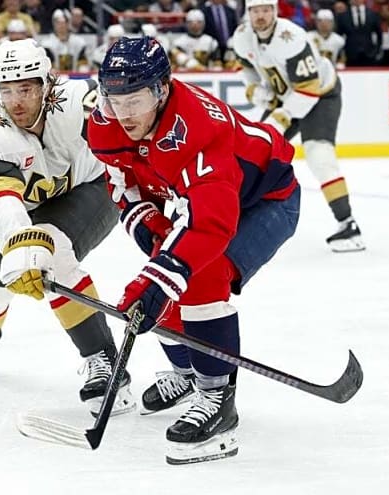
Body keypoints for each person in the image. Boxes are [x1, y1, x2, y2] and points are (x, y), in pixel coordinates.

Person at [88, 36, 300, 464]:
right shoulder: (104, 120)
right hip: (195, 201)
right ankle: (187, 371)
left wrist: (160, 274)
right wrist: (151, 230)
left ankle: (217, 399)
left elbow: (211, 225)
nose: (124, 115)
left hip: (266, 201)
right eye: (115, 100)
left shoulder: (202, 132)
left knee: (199, 271)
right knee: (165, 272)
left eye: (137, 100)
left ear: (162, 90)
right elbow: (120, 183)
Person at [0, 39, 134, 418]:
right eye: (7, 89)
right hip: (26, 206)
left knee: (55, 252)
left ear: (47, 83)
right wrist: (20, 242)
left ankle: (105, 362)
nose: (16, 101)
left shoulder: (80, 103)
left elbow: (131, 139)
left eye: (26, 88)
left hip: (93, 189)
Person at [234, 0, 365, 252]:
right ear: (248, 13)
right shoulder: (242, 37)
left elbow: (309, 89)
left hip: (320, 95)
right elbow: (244, 67)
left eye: (266, 10)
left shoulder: (291, 37)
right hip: (288, 98)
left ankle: (348, 224)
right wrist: (255, 90)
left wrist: (279, 118)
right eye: (255, 11)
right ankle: (236, 220)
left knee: (318, 154)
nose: (261, 16)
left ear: (275, 11)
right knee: (252, 152)